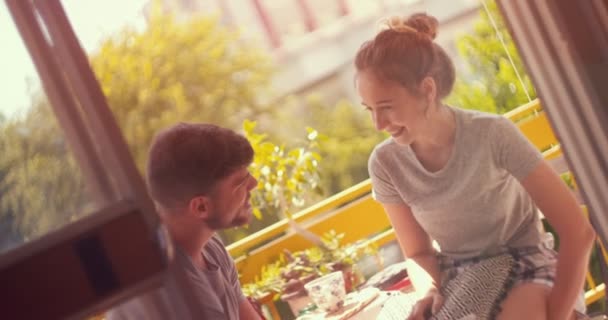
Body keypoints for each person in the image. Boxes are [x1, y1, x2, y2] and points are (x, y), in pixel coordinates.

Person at [354, 13, 596, 320]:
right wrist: (428, 291)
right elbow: (418, 253)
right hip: (461, 280)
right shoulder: (385, 164)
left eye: (386, 107)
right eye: (370, 110)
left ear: (427, 90)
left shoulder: (493, 133)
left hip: (524, 263)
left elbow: (579, 231)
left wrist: (558, 315)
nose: (378, 124)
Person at [107, 123, 262, 320]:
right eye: (241, 182)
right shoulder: (173, 293)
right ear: (201, 207)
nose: (254, 184)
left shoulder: (210, 247)